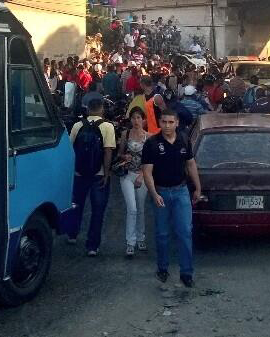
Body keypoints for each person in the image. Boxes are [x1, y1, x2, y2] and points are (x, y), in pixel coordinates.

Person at [141, 109, 202, 287]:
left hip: (181, 191)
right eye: (164, 122)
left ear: (176, 123)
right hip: (161, 192)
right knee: (162, 234)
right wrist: (154, 194)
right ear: (159, 123)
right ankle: (162, 268)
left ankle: (186, 273)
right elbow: (147, 172)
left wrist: (197, 187)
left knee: (185, 232)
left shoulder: (184, 140)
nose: (167, 125)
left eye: (170, 122)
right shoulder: (152, 143)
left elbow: (191, 164)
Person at [66, 98, 117, 256]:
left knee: (77, 205)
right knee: (98, 210)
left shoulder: (77, 125)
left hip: (79, 173)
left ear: (87, 109)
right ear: (102, 109)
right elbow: (108, 151)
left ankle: (72, 234)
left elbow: (70, 148)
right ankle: (92, 246)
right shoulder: (107, 127)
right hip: (99, 174)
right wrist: (107, 173)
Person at [114, 108, 151, 258]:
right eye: (133, 118)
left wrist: (142, 175)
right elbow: (119, 153)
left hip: (141, 176)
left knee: (141, 208)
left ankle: (141, 237)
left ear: (143, 120)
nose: (136, 121)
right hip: (127, 175)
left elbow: (150, 160)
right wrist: (125, 157)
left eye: (138, 118)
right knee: (132, 208)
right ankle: (130, 241)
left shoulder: (149, 137)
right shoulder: (126, 134)